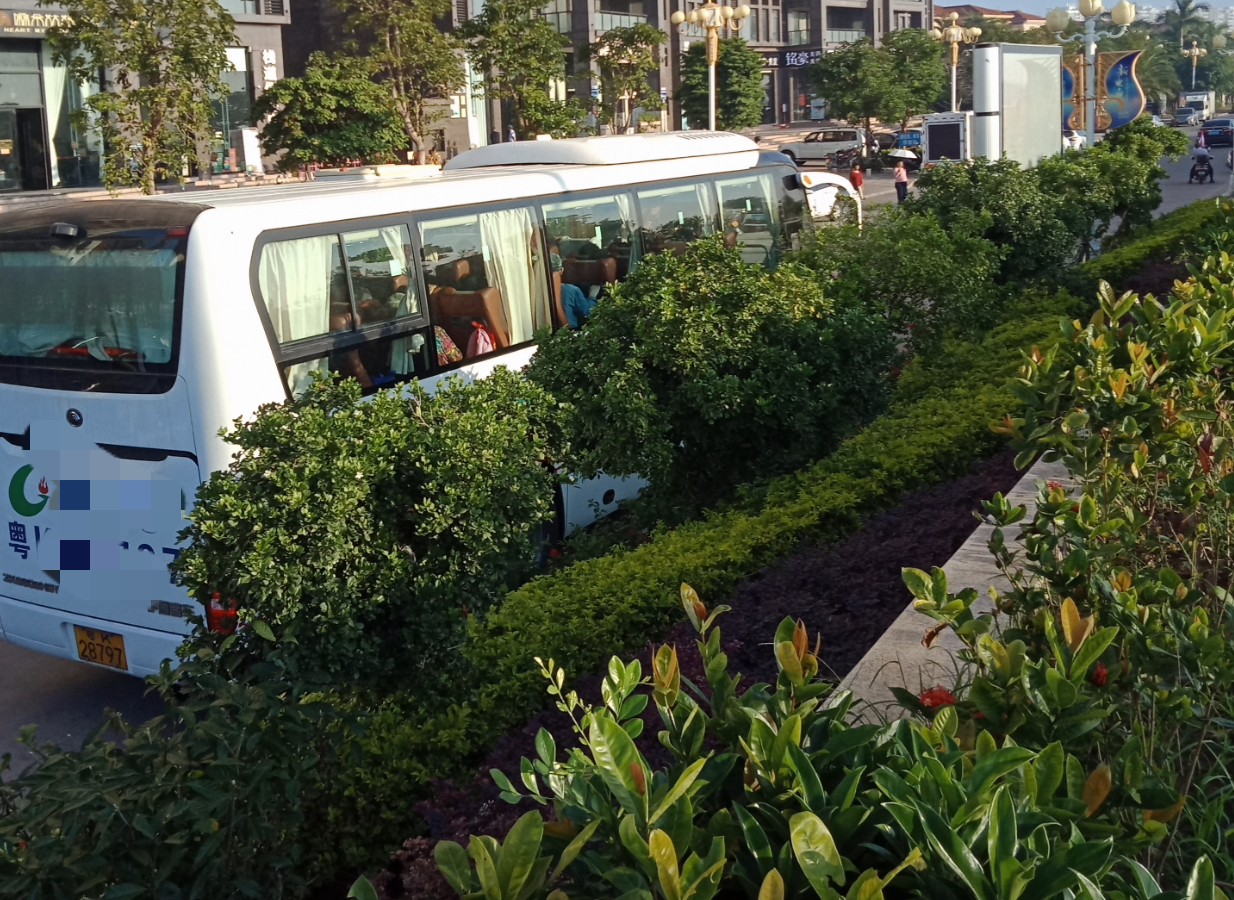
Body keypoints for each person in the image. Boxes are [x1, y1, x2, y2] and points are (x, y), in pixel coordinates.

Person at [549, 245, 596, 329]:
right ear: (562, 270)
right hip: (571, 331)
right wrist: (593, 297)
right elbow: (586, 311)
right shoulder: (571, 290)